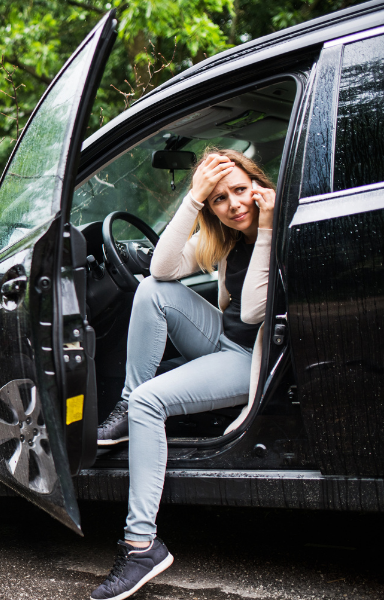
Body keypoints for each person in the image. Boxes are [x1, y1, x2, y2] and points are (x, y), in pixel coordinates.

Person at [90, 149, 276, 600]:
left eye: (238, 190)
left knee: (152, 403)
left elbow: (253, 311)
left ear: (256, 183)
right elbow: (160, 269)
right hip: (223, 338)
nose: (233, 204)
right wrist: (191, 199)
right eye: (218, 199)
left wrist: (267, 228)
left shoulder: (282, 228)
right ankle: (127, 402)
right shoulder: (225, 238)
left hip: (253, 357)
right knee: (153, 291)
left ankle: (141, 547)